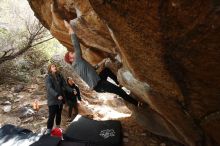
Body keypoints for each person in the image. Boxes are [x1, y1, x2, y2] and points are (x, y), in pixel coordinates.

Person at [63, 20, 139, 106]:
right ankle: (137, 103)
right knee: (119, 91)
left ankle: (118, 82)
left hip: (98, 80)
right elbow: (76, 45)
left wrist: (101, 63)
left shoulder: (78, 64)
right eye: (71, 53)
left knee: (106, 70)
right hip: (99, 85)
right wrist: (70, 28)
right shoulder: (77, 62)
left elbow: (92, 69)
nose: (74, 53)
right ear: (71, 59)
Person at [45, 64, 74, 134]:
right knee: (51, 116)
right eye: (53, 66)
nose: (55, 67)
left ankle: (58, 128)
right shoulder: (48, 77)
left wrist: (72, 90)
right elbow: (49, 88)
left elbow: (65, 85)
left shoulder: (60, 76)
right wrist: (57, 95)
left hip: (60, 99)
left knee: (59, 114)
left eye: (55, 66)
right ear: (50, 69)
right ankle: (48, 130)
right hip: (53, 100)